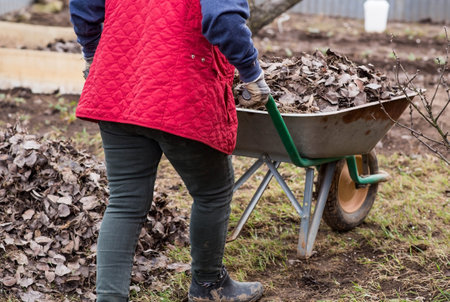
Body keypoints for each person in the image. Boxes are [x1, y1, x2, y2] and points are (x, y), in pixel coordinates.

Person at [69, 0, 270, 301]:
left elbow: (84, 6)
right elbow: (224, 19)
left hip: (119, 80)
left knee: (125, 201)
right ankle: (208, 286)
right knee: (212, 191)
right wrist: (251, 73)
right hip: (181, 89)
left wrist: (91, 52)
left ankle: (109, 298)